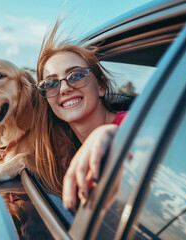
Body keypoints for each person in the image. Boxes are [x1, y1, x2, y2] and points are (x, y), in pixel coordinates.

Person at [33, 20, 128, 211]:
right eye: (51, 83)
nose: (65, 88)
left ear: (101, 86)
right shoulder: (62, 153)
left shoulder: (131, 123)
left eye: (76, 75)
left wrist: (113, 134)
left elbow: (152, 137)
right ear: (46, 99)